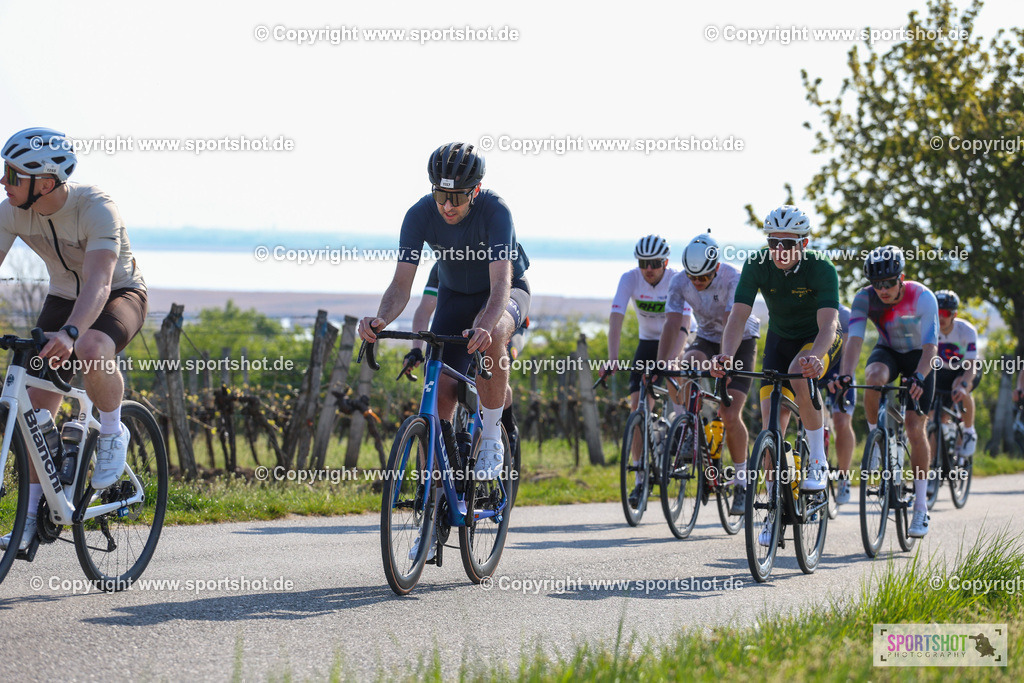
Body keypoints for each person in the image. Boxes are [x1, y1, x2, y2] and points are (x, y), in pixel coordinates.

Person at [0, 128, 147, 551]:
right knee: (32, 409)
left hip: (118, 294)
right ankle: (32, 517)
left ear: (45, 183)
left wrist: (70, 332)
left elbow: (100, 282)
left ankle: (113, 432)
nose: (4, 181)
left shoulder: (96, 207)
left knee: (90, 347)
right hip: (63, 297)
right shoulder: (12, 211)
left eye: (13, 174)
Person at [358, 142, 529, 488]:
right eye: (440, 195)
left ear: (475, 191)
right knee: (439, 394)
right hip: (454, 297)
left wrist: (484, 325)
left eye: (458, 197)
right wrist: (380, 320)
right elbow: (400, 286)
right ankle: (435, 496)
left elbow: (500, 285)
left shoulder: (495, 211)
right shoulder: (419, 214)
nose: (447, 206)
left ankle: (492, 436)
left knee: (493, 334)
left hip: (505, 292)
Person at [712, 205, 842, 546]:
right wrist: (726, 356)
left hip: (818, 340)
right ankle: (773, 510)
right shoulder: (757, 264)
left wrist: (817, 357)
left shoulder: (821, 268)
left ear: (804, 243)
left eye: (788, 243)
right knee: (771, 425)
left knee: (799, 372)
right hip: (780, 341)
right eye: (774, 243)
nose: (780, 250)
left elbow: (829, 324)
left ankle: (818, 460)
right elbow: (738, 316)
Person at [831, 246, 938, 538]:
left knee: (914, 428)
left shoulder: (922, 296)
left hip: (920, 358)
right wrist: (846, 374)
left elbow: (931, 346)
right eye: (877, 284)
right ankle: (877, 439)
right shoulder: (864, 298)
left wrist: (920, 376)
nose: (883, 290)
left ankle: (920, 507)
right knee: (873, 377)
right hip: (888, 351)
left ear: (901, 278)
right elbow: (854, 340)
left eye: (889, 282)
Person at [658, 232, 760, 515]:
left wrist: (724, 360)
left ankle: (741, 482)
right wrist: (662, 362)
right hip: (706, 337)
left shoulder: (733, 278)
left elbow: (731, 321)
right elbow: (672, 323)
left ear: (715, 267)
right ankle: (689, 426)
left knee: (729, 413)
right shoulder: (679, 281)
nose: (697, 282)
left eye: (703, 277)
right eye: (692, 277)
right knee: (684, 364)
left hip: (740, 340)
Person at [601, 235, 691, 505]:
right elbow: (616, 317)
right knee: (637, 408)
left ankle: (682, 427)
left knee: (675, 374)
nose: (648, 268)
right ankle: (640, 479)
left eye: (654, 263)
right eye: (643, 263)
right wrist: (612, 358)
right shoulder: (630, 278)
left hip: (677, 339)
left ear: (666, 262)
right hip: (648, 342)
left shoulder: (678, 279)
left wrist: (673, 359)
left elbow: (684, 323)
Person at [404, 261, 527, 448]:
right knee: (448, 375)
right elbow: (424, 310)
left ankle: (508, 429)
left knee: (492, 364)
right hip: (464, 321)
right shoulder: (442, 268)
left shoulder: (493, 258)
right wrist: (416, 348)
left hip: (502, 318)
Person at [934, 290, 980, 458]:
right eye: (937, 312)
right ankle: (935, 464)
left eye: (945, 313)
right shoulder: (928, 329)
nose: (941, 317)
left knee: (958, 386)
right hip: (942, 370)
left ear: (954, 314)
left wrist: (964, 385)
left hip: (965, 369)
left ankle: (969, 432)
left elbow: (971, 365)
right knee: (935, 416)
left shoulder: (966, 330)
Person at [824, 304, 857, 505]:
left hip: (839, 369)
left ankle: (843, 477)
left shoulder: (844, 315)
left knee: (841, 421)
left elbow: (848, 352)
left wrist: (842, 376)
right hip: (814, 366)